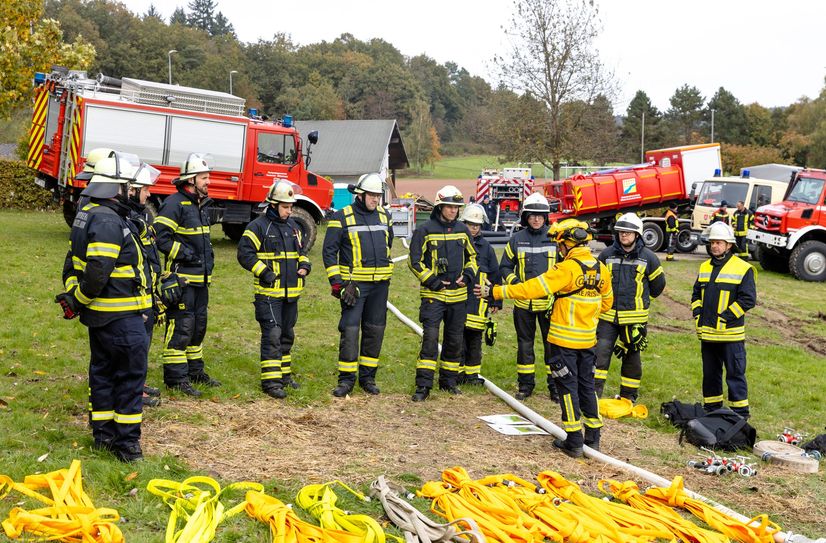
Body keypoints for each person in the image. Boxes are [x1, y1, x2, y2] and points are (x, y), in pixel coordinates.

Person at [476, 219, 613, 457]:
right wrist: (584, 315)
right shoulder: (601, 269)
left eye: (560, 245)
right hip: (588, 341)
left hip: (563, 341)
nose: (559, 250)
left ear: (568, 244)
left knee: (567, 387)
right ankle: (593, 437)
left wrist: (495, 291)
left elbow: (531, 289)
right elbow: (607, 303)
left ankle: (573, 440)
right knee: (587, 386)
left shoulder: (566, 269)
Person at [58, 152, 151, 462]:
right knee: (129, 379)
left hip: (101, 319)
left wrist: (76, 300)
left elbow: (73, 265)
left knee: (103, 375)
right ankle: (127, 447)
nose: (132, 190)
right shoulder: (108, 220)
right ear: (116, 188)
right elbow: (98, 271)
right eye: (127, 185)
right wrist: (79, 299)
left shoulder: (89, 214)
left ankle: (103, 437)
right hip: (121, 318)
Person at [237, 180, 311, 399]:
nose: (289, 211)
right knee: (273, 335)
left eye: (290, 207)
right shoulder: (258, 227)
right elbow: (244, 254)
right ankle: (271, 382)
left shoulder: (294, 227)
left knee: (287, 335)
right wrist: (264, 272)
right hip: (269, 294)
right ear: (273, 204)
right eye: (285, 207)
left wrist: (305, 266)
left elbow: (302, 252)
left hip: (291, 294)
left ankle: (284, 377)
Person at [154, 153, 220, 396]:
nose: (208, 182)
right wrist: (186, 255)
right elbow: (160, 238)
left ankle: (195, 372)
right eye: (204, 178)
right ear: (191, 180)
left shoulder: (200, 206)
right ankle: (175, 378)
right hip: (182, 279)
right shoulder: (174, 204)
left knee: (198, 326)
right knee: (181, 327)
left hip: (201, 280)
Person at [322, 173, 393, 397]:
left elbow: (388, 244)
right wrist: (338, 284)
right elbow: (329, 252)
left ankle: (368, 378)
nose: (376, 200)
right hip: (355, 287)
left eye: (378, 196)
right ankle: (346, 380)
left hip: (380, 286)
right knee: (350, 330)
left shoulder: (385, 216)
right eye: (372, 195)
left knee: (375, 330)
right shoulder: (342, 217)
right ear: (360, 195)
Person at [408, 185, 478, 401]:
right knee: (430, 339)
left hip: (458, 297)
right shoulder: (425, 230)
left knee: (454, 340)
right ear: (439, 207)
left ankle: (449, 381)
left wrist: (467, 276)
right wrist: (433, 282)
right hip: (433, 296)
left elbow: (473, 258)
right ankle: (423, 385)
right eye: (449, 207)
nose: (453, 211)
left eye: (456, 208)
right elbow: (414, 261)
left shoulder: (463, 230)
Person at [594, 213, 666, 402]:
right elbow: (596, 282)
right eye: (621, 232)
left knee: (632, 359)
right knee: (599, 356)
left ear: (637, 234)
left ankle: (628, 397)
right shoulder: (606, 255)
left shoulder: (649, 258)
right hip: (607, 318)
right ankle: (592, 394)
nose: (624, 236)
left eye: (628, 232)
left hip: (634, 321)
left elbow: (658, 286)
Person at [691, 222, 756, 419]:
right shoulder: (704, 267)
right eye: (712, 243)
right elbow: (696, 295)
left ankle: (739, 415)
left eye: (718, 243)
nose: (714, 246)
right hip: (708, 335)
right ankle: (712, 411)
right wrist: (698, 315)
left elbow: (748, 299)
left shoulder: (743, 269)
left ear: (729, 245)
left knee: (735, 375)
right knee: (710, 375)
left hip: (731, 335)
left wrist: (725, 317)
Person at [499, 192, 558, 401]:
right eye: (532, 215)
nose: (536, 219)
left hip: (549, 304)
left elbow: (566, 269)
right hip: (523, 303)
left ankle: (555, 388)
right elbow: (505, 266)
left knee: (553, 346)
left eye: (540, 216)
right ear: (526, 217)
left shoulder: (555, 239)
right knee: (525, 345)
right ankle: (525, 385)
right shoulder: (516, 240)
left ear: (546, 217)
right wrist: (515, 283)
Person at [125, 163, 165, 408]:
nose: (149, 194)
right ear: (132, 190)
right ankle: (133, 390)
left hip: (148, 288)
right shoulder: (127, 217)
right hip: (136, 291)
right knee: (136, 344)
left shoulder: (140, 215)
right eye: (145, 189)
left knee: (145, 341)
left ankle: (138, 384)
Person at [459, 203, 500, 384]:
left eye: (477, 225)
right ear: (464, 223)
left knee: (475, 338)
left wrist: (495, 301)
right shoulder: (456, 242)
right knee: (457, 338)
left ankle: (472, 374)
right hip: (458, 298)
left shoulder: (487, 249)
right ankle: (457, 373)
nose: (474, 228)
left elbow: (495, 275)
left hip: (478, 301)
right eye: (470, 224)